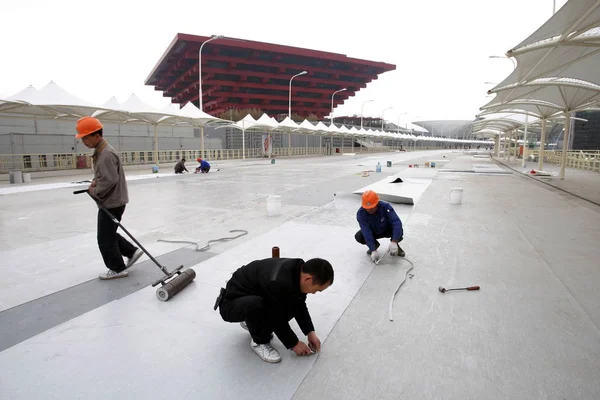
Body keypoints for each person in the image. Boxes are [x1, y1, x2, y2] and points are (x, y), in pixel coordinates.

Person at [216, 257, 334, 363]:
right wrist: (294, 344)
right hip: (231, 304)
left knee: (289, 305)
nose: (314, 293)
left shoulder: (298, 272)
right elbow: (275, 316)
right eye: (317, 290)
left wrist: (310, 332)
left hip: (249, 296)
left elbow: (299, 305)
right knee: (262, 306)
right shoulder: (279, 282)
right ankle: (259, 342)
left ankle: (252, 320)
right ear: (308, 279)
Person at [75, 116, 143, 280]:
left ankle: (117, 268)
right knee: (109, 233)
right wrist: (95, 182)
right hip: (114, 200)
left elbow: (110, 180)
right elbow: (105, 176)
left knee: (104, 237)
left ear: (96, 135)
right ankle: (130, 251)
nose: (83, 141)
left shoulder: (105, 153)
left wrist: (94, 191)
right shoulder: (101, 150)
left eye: (85, 137)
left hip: (112, 202)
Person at [355, 190, 405, 262]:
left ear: (377, 203)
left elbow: (396, 222)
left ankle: (395, 246)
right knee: (359, 236)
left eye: (372, 207)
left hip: (386, 229)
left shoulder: (385, 207)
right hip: (373, 232)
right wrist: (373, 250)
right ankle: (374, 246)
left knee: (399, 229)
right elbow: (366, 232)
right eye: (367, 208)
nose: (370, 210)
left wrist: (394, 241)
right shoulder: (361, 214)